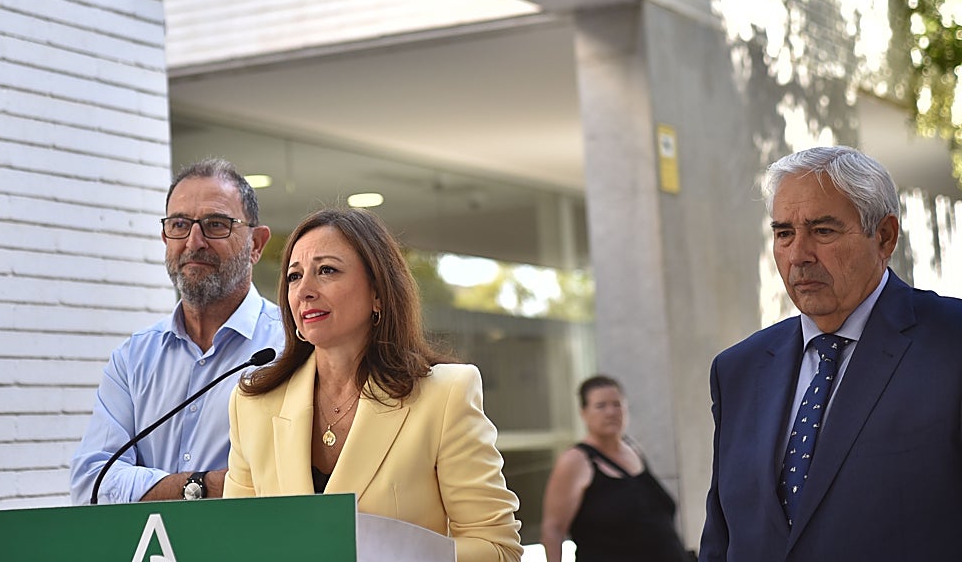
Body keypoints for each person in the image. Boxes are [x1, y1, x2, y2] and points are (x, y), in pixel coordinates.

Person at [699, 145, 962, 561]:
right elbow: (722, 538)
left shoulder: (951, 343)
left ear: (885, 236)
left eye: (823, 231)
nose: (798, 255)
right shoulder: (738, 370)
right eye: (784, 233)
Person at [223, 207, 522, 562]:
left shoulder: (446, 395)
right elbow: (236, 543)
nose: (304, 290)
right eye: (294, 276)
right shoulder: (253, 404)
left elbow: (497, 548)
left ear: (378, 292)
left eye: (327, 271)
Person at [69, 158, 285, 504]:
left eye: (216, 225)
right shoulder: (133, 358)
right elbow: (91, 482)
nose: (193, 241)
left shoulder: (291, 347)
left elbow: (285, 481)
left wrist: (145, 486)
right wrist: (202, 486)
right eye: (180, 225)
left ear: (256, 244)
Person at [540, 375, 690, 562]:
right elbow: (553, 529)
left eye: (617, 404)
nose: (611, 412)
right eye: (601, 406)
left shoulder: (633, 449)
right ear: (584, 413)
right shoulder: (575, 461)